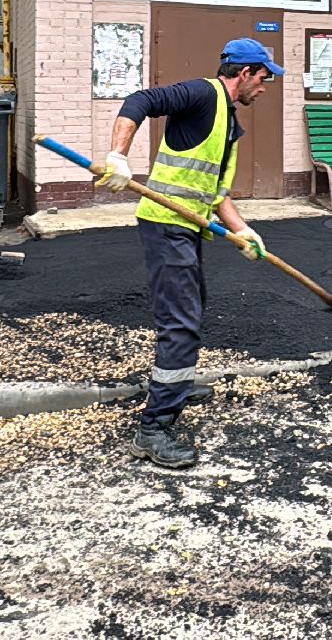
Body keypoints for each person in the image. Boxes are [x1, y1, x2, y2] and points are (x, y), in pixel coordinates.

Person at [95, 37, 282, 469]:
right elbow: (140, 99)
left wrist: (243, 231)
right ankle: (153, 428)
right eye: (265, 78)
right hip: (166, 224)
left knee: (192, 307)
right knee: (180, 325)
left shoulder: (229, 125)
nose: (266, 87)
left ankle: (174, 385)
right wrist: (117, 156)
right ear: (246, 73)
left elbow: (216, 194)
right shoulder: (202, 94)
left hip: (188, 226)